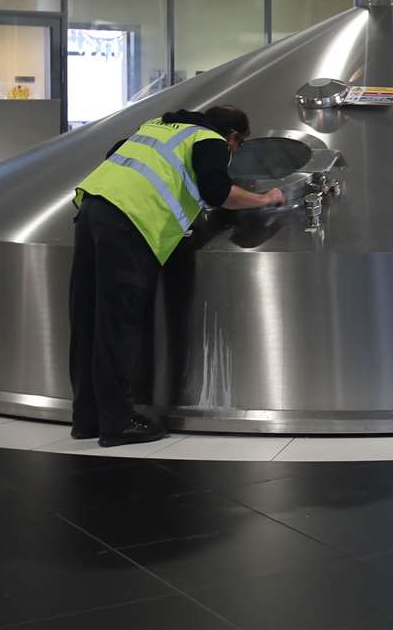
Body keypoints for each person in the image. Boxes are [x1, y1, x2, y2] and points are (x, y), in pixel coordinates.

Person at [68, 105, 284, 447]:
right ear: (233, 137)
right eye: (239, 144)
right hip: (130, 223)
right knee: (119, 323)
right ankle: (118, 422)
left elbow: (115, 153)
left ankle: (87, 418)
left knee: (88, 318)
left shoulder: (158, 127)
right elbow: (219, 192)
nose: (235, 150)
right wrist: (265, 198)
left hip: (92, 209)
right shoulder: (209, 139)